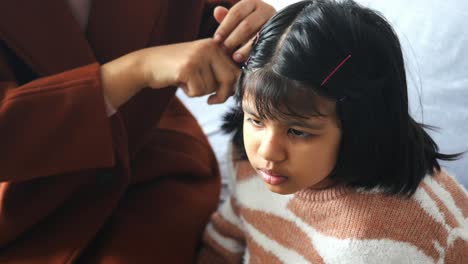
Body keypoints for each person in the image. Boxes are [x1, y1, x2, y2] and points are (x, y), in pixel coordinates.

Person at [0, 0, 275, 263]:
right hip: (21, 207)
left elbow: (207, 15)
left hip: (146, 160)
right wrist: (137, 70)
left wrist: (253, 26)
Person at [197, 0, 468, 263]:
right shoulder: (247, 164)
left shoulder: (399, 238)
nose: (267, 150)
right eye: (256, 120)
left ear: (360, 125)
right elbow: (225, 240)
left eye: (298, 131)